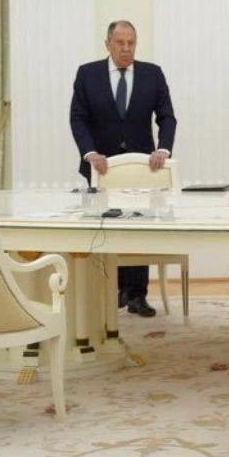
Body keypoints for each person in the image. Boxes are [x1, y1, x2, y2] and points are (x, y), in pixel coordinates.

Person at [70, 20, 177, 318]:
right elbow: (78, 118)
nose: (126, 48)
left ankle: (137, 295)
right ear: (108, 44)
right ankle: (109, 292)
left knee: (138, 227)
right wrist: (89, 152)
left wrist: (163, 149)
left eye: (131, 43)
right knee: (104, 228)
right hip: (100, 168)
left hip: (141, 168)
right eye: (120, 43)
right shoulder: (87, 74)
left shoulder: (152, 74)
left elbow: (167, 117)